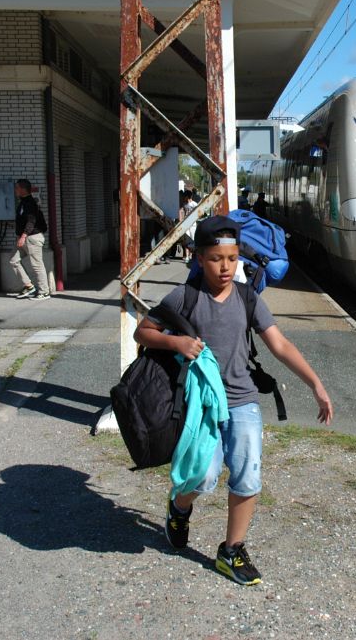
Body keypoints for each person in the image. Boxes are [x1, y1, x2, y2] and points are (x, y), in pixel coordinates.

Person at [133, 216, 334, 585]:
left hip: (242, 400)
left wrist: (315, 385)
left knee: (247, 474)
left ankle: (232, 551)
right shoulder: (185, 297)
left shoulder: (247, 297)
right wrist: (176, 342)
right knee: (202, 476)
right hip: (202, 403)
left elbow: (279, 344)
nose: (225, 267)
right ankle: (179, 509)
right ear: (197, 258)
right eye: (215, 259)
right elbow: (143, 331)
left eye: (232, 258)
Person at [9, 179, 51, 300]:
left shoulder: (30, 203)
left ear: (23, 189)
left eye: (17, 188)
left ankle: (44, 292)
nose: (15, 190)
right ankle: (28, 286)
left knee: (37, 265)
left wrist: (23, 236)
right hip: (24, 237)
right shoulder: (22, 202)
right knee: (14, 260)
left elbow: (31, 221)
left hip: (31, 238)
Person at [178, 189, 199, 263]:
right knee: (186, 240)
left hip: (193, 224)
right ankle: (187, 256)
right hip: (186, 224)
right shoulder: (184, 204)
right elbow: (182, 212)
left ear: (187, 196)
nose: (184, 198)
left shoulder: (194, 204)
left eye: (185, 196)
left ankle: (191, 256)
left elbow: (198, 213)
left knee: (192, 239)